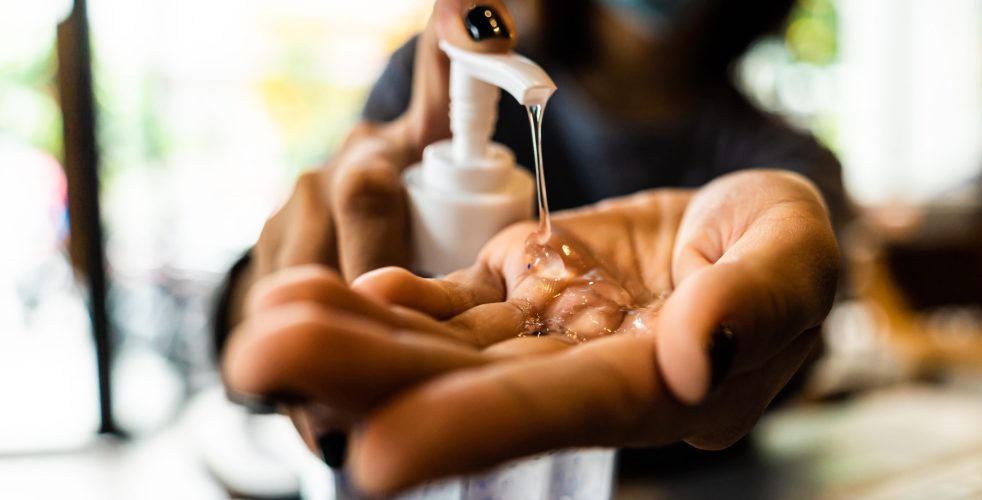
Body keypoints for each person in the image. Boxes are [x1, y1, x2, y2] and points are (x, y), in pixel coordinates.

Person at [216, 0, 846, 495]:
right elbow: (257, 332)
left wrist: (757, 333)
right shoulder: (429, 88)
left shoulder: (784, 164)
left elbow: (782, 366)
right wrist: (268, 293)